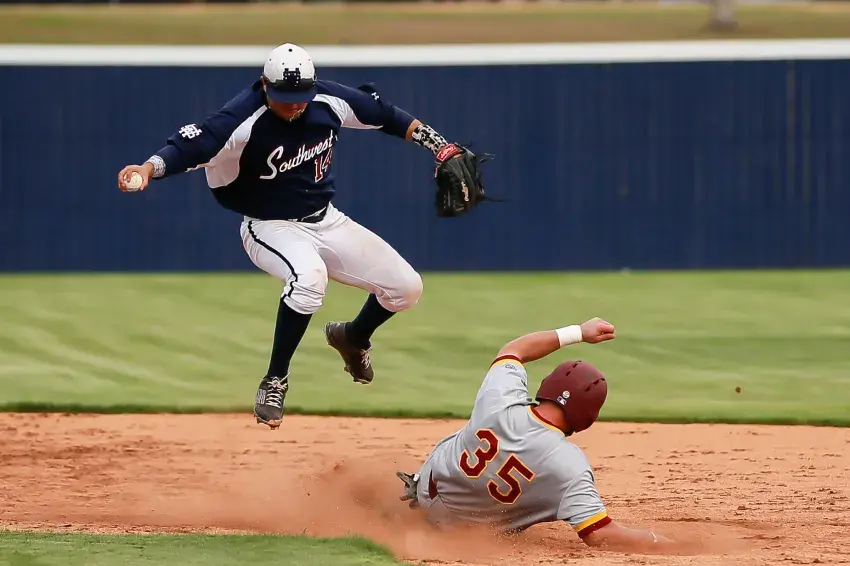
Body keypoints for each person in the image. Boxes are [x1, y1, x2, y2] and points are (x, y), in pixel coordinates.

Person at [117, 43, 476, 431]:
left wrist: (440, 146)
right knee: (309, 279)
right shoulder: (241, 120)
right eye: (283, 97)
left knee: (406, 288)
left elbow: (387, 116)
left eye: (300, 96)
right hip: (268, 226)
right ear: (264, 85)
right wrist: (148, 168)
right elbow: (190, 145)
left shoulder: (328, 100)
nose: (293, 105)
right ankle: (275, 380)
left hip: (327, 220)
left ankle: (353, 337)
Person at [396, 317, 678, 552]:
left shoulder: (501, 398)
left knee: (465, 435)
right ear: (587, 418)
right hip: (464, 536)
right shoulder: (569, 466)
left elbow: (514, 349)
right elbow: (600, 534)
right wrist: (667, 544)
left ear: (546, 386)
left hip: (427, 493)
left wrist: (579, 332)